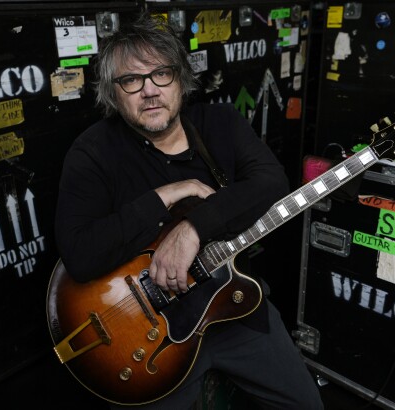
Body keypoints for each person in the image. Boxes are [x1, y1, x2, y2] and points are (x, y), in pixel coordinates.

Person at [54, 12, 324, 410]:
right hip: (152, 341)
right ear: (114, 93)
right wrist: (167, 194)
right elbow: (79, 254)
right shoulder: (93, 152)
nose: (149, 90)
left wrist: (193, 228)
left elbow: (272, 183)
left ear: (181, 79)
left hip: (232, 310)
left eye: (161, 74)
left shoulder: (220, 124)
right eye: (131, 80)